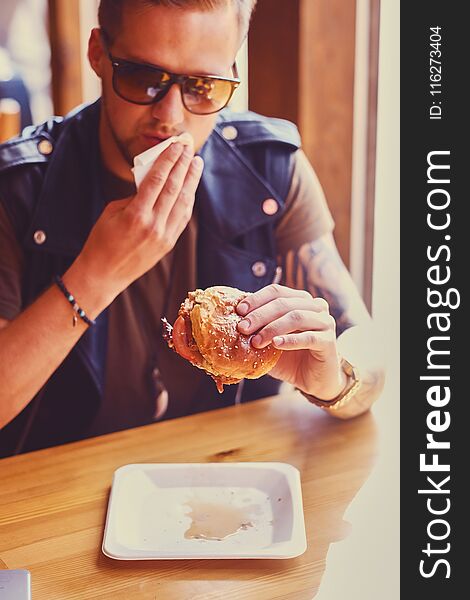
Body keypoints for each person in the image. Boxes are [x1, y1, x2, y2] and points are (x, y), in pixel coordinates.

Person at [0, 0, 385, 457]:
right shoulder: (19, 190)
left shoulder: (271, 171)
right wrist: (96, 275)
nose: (171, 115)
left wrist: (332, 380)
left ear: (231, 74)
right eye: (143, 77)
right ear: (98, 53)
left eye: (202, 87)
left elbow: (367, 348)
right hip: (59, 491)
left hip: (229, 482)